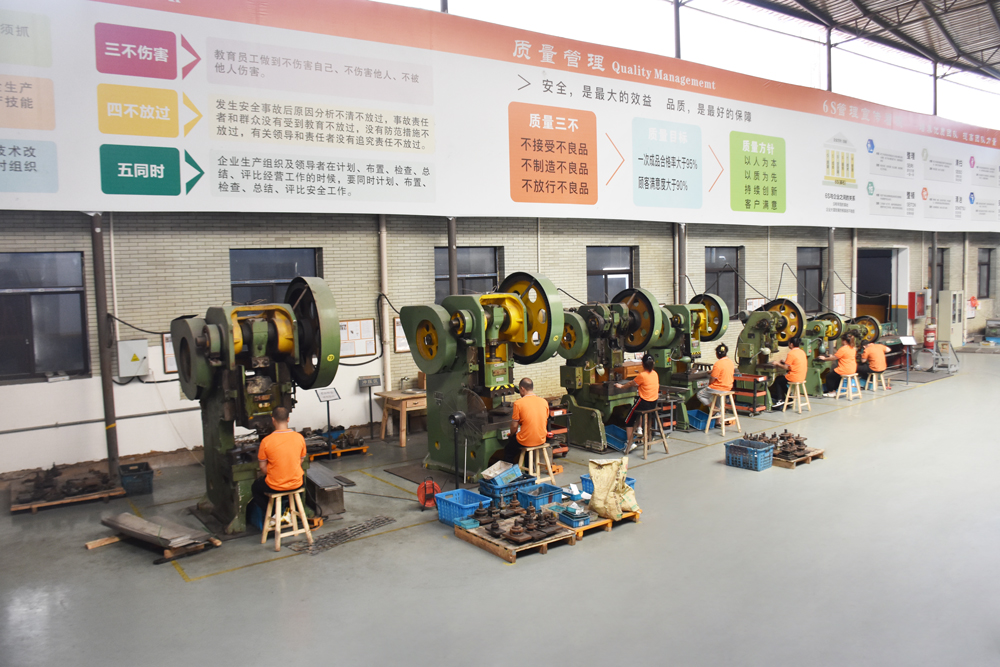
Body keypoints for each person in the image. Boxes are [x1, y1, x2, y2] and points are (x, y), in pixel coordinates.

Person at [250, 406, 307, 523]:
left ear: (273, 420)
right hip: (296, 484)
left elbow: (262, 467)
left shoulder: (266, 441)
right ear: (288, 419)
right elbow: (300, 461)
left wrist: (274, 474)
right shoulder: (299, 437)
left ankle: (273, 515)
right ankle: (288, 513)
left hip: (274, 486)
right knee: (303, 482)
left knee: (255, 487)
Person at [613, 353, 660, 451]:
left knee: (628, 420)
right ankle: (639, 429)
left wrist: (621, 386)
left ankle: (630, 443)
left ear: (642, 364)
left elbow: (631, 383)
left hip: (644, 403)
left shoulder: (642, 375)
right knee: (637, 415)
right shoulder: (655, 373)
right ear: (653, 364)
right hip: (653, 403)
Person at [503, 377, 550, 465]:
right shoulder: (544, 401)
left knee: (509, 449)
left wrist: (512, 435)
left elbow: (514, 426)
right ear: (532, 388)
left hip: (526, 440)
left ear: (522, 388)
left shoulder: (518, 403)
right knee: (527, 448)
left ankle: (509, 472)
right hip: (541, 439)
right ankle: (529, 469)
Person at [768, 338, 807, 409]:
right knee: (782, 380)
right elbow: (794, 363)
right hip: (802, 376)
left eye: (788, 343)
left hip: (795, 377)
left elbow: (786, 367)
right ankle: (789, 398)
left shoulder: (791, 353)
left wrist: (777, 363)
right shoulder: (802, 352)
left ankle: (780, 400)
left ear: (791, 344)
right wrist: (784, 362)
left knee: (778, 380)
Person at [697, 343, 735, 408]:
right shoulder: (730, 362)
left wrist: (709, 385)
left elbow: (712, 379)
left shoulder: (718, 363)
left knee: (700, 395)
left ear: (717, 354)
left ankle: (714, 409)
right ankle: (718, 413)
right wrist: (712, 371)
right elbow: (724, 369)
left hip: (718, 388)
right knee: (719, 401)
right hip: (728, 387)